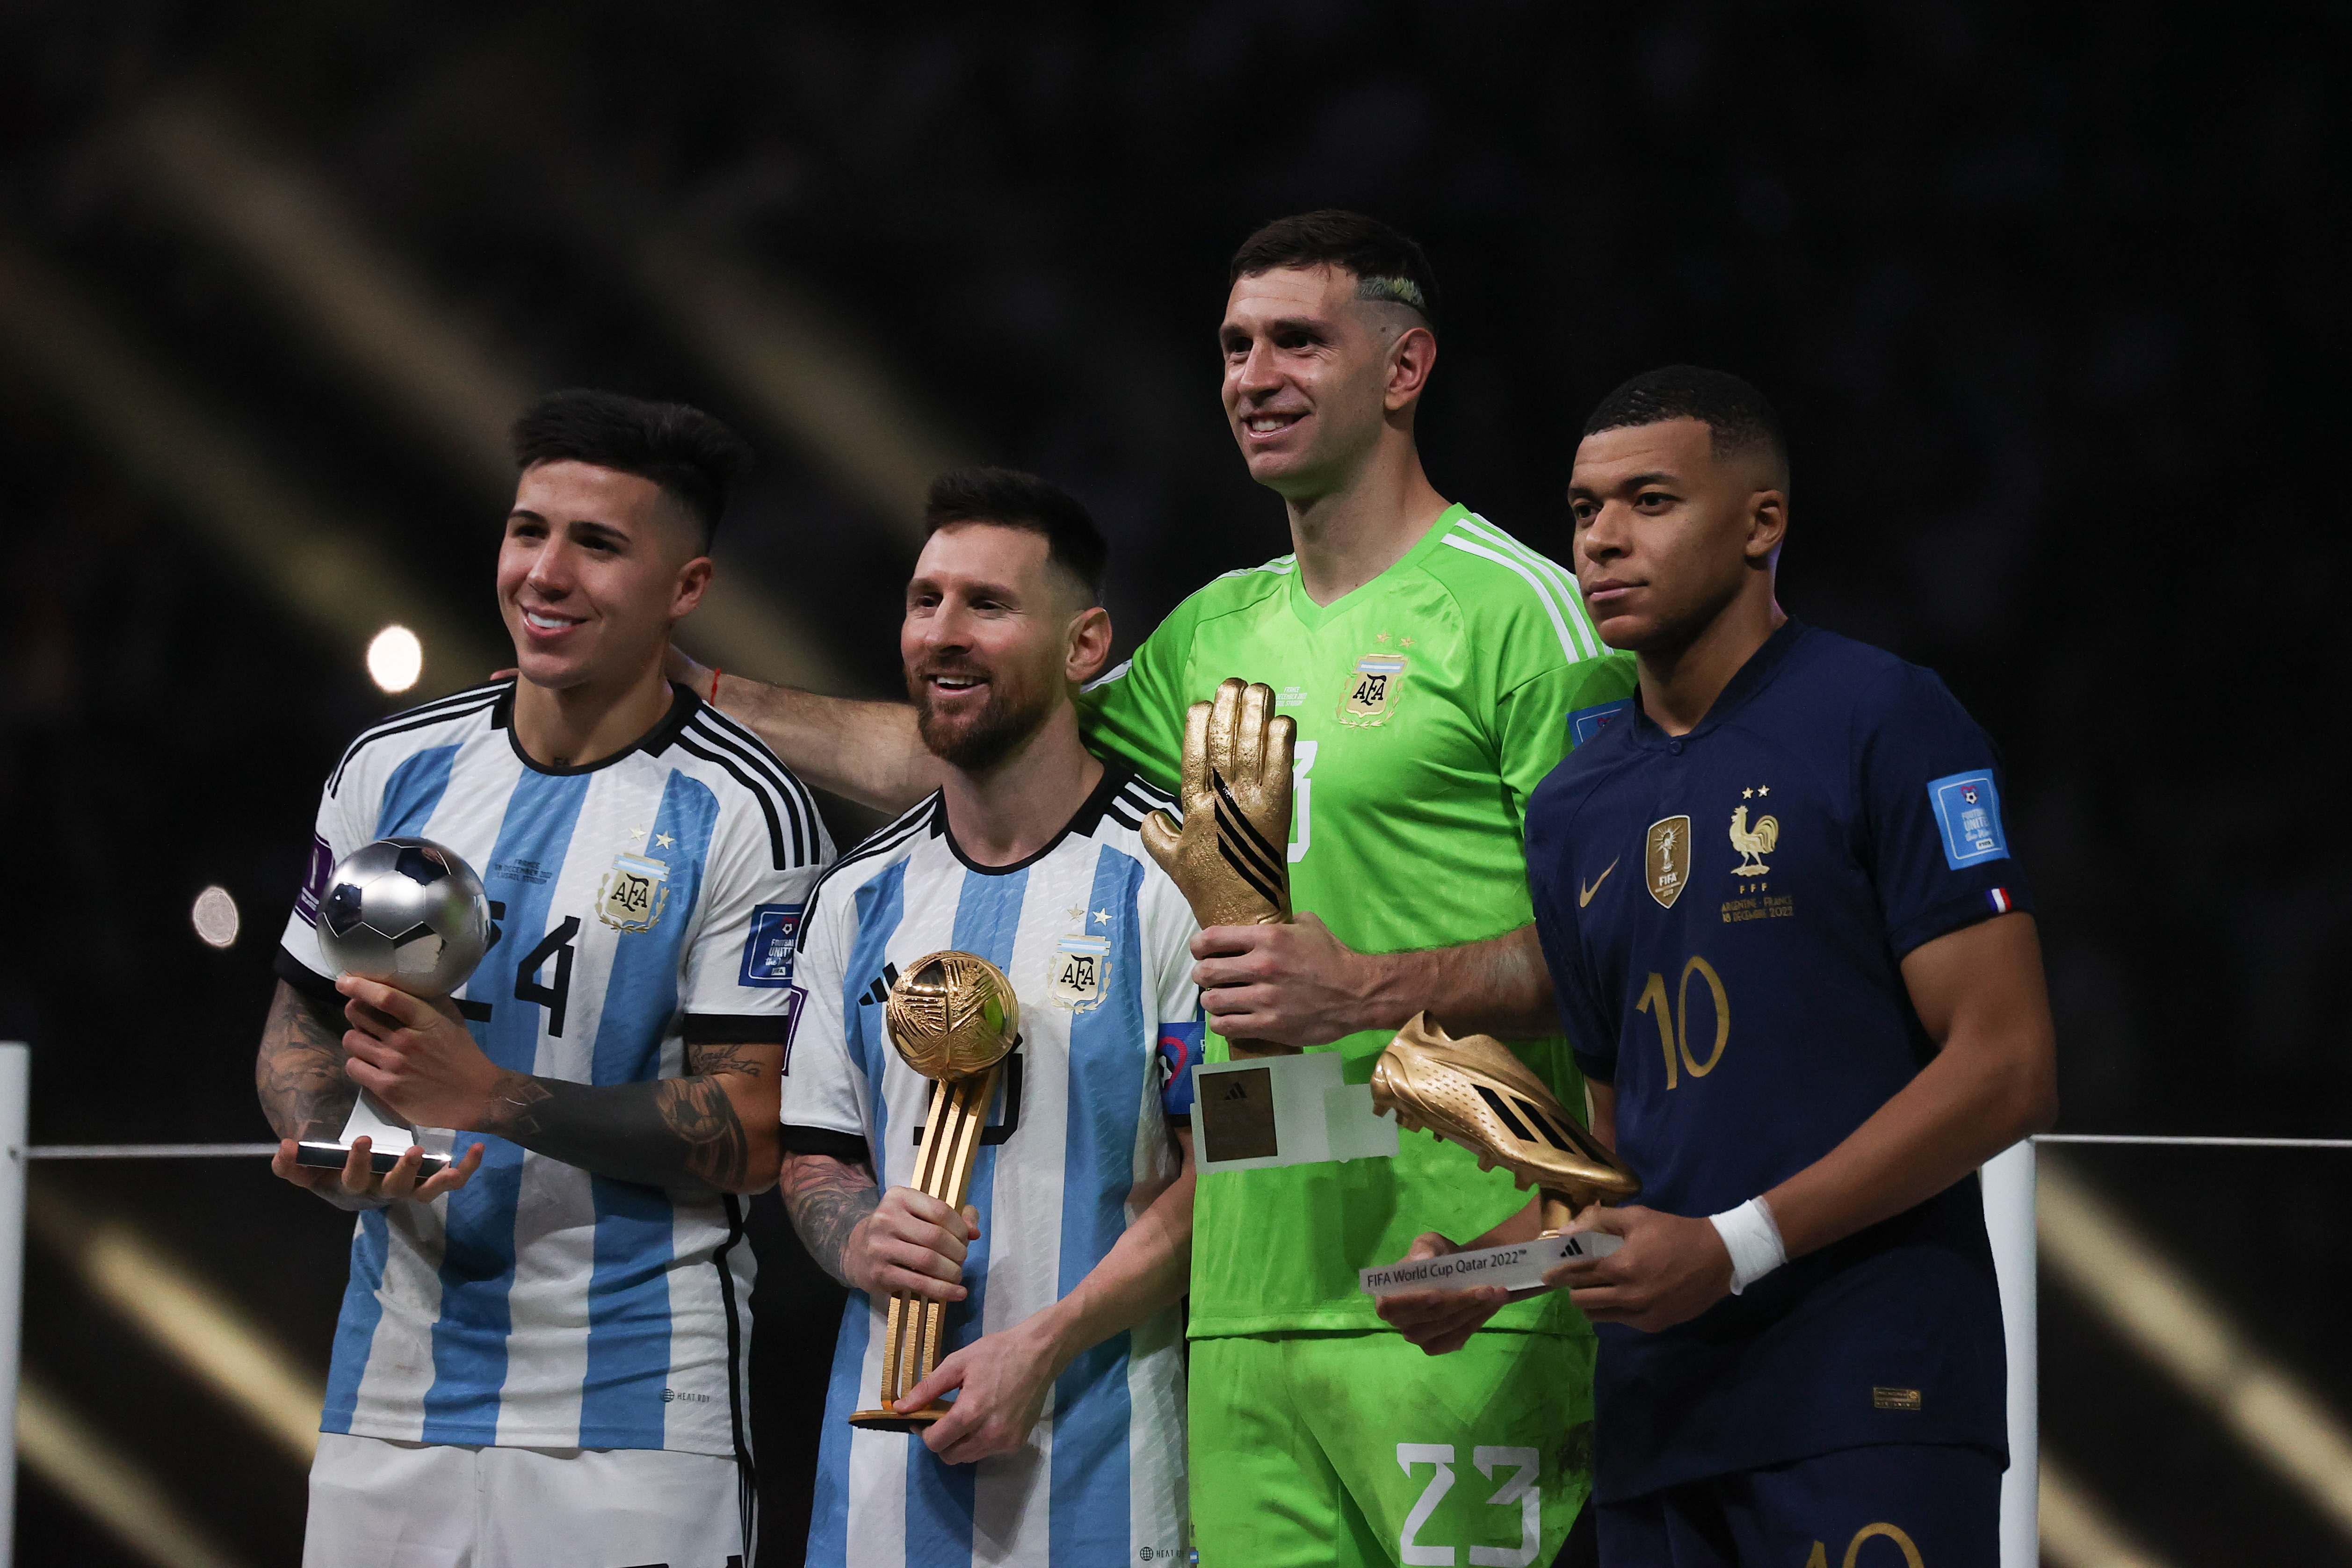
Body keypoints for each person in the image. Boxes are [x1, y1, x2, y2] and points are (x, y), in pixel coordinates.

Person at [681, 211, 1636, 1567]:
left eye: (1297, 340)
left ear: (1405, 366)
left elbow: (1621, 954)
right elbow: (979, 744)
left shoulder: (1521, 617)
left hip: (1454, 1276)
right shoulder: (1211, 634)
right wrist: (702, 693)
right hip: (1240, 1310)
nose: (1255, 375)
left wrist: (1373, 989)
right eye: (1236, 346)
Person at [1380, 366, 2058, 1566]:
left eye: (1649, 501)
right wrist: (1492, 1270)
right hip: (1662, 1419)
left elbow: (2007, 1069)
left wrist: (1735, 1246)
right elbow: (1624, 1158)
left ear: (1761, 523)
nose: (1602, 539)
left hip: (1867, 1397)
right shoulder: (1572, 807)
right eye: (1583, 509)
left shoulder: (1885, 717)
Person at [258, 389, 832, 1567]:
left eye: (598, 545)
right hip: (389, 1399)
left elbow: (752, 1130)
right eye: (529, 531)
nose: (546, 574)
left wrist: (492, 1097)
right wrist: (332, 1140)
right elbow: (298, 1031)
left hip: (632, 1415)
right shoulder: (393, 767)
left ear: (686, 588)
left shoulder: (747, 814)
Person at [777, 468, 1201, 1565]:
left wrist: (1046, 1343)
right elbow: (815, 1156)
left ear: (1084, 644)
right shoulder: (854, 899)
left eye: (988, 604)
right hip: (879, 1500)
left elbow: (1236, 1174)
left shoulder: (1176, 880)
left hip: (1108, 1485)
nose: (942, 634)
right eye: (926, 601)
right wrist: (856, 1232)